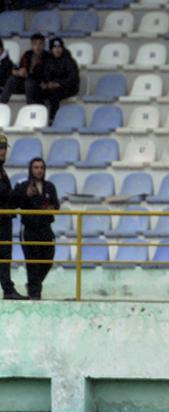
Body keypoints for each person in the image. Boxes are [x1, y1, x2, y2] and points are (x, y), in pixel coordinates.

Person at [13, 158, 58, 300]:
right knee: (32, 262)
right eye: (36, 167)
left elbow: (55, 205)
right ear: (30, 169)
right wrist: (26, 195)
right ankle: (34, 293)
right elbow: (14, 203)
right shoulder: (22, 186)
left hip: (45, 229)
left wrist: (47, 208)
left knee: (48, 260)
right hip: (29, 229)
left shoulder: (49, 186)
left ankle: (33, 285)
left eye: (41, 167)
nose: (39, 170)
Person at [0, 134, 25, 300]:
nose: (2, 151)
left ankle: (8, 288)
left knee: (5, 256)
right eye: (0, 147)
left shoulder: (2, 171)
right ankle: (8, 289)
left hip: (4, 221)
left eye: (3, 148)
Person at [36, 37, 79, 124]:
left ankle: (53, 119)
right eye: (55, 47)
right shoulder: (48, 61)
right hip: (52, 86)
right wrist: (45, 84)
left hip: (68, 87)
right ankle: (38, 117)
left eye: (59, 47)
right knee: (37, 91)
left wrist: (59, 84)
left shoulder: (69, 61)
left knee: (54, 94)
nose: (57, 50)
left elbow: (73, 78)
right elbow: (43, 75)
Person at [0, 33, 49, 105]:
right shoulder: (27, 54)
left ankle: (30, 108)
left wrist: (28, 75)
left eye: (40, 44)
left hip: (38, 86)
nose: (37, 47)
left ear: (44, 45)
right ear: (31, 45)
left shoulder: (48, 57)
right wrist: (19, 72)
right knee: (12, 79)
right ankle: (1, 104)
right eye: (35, 44)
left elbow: (45, 76)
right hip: (25, 84)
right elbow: (21, 68)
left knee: (28, 82)